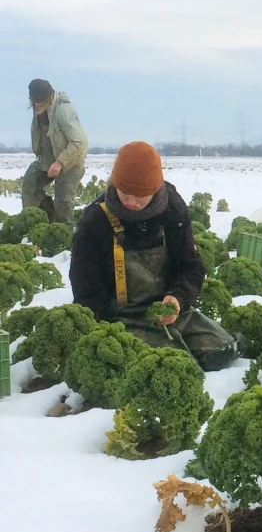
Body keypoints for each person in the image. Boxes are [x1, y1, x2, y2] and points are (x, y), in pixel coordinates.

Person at [70, 140, 238, 371]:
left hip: (170, 312)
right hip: (121, 318)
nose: (130, 201)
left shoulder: (172, 209)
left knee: (221, 349)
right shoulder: (95, 220)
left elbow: (190, 266)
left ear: (155, 189)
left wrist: (177, 298)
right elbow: (85, 285)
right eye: (124, 192)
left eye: (140, 195)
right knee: (169, 364)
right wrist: (99, 332)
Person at [22, 79, 88, 225]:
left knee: (63, 202)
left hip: (70, 161)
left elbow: (79, 142)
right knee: (30, 185)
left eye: (41, 101)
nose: (38, 105)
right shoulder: (38, 106)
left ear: (50, 97)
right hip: (47, 158)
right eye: (35, 101)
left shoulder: (64, 111)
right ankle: (45, 221)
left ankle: (65, 236)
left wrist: (60, 162)